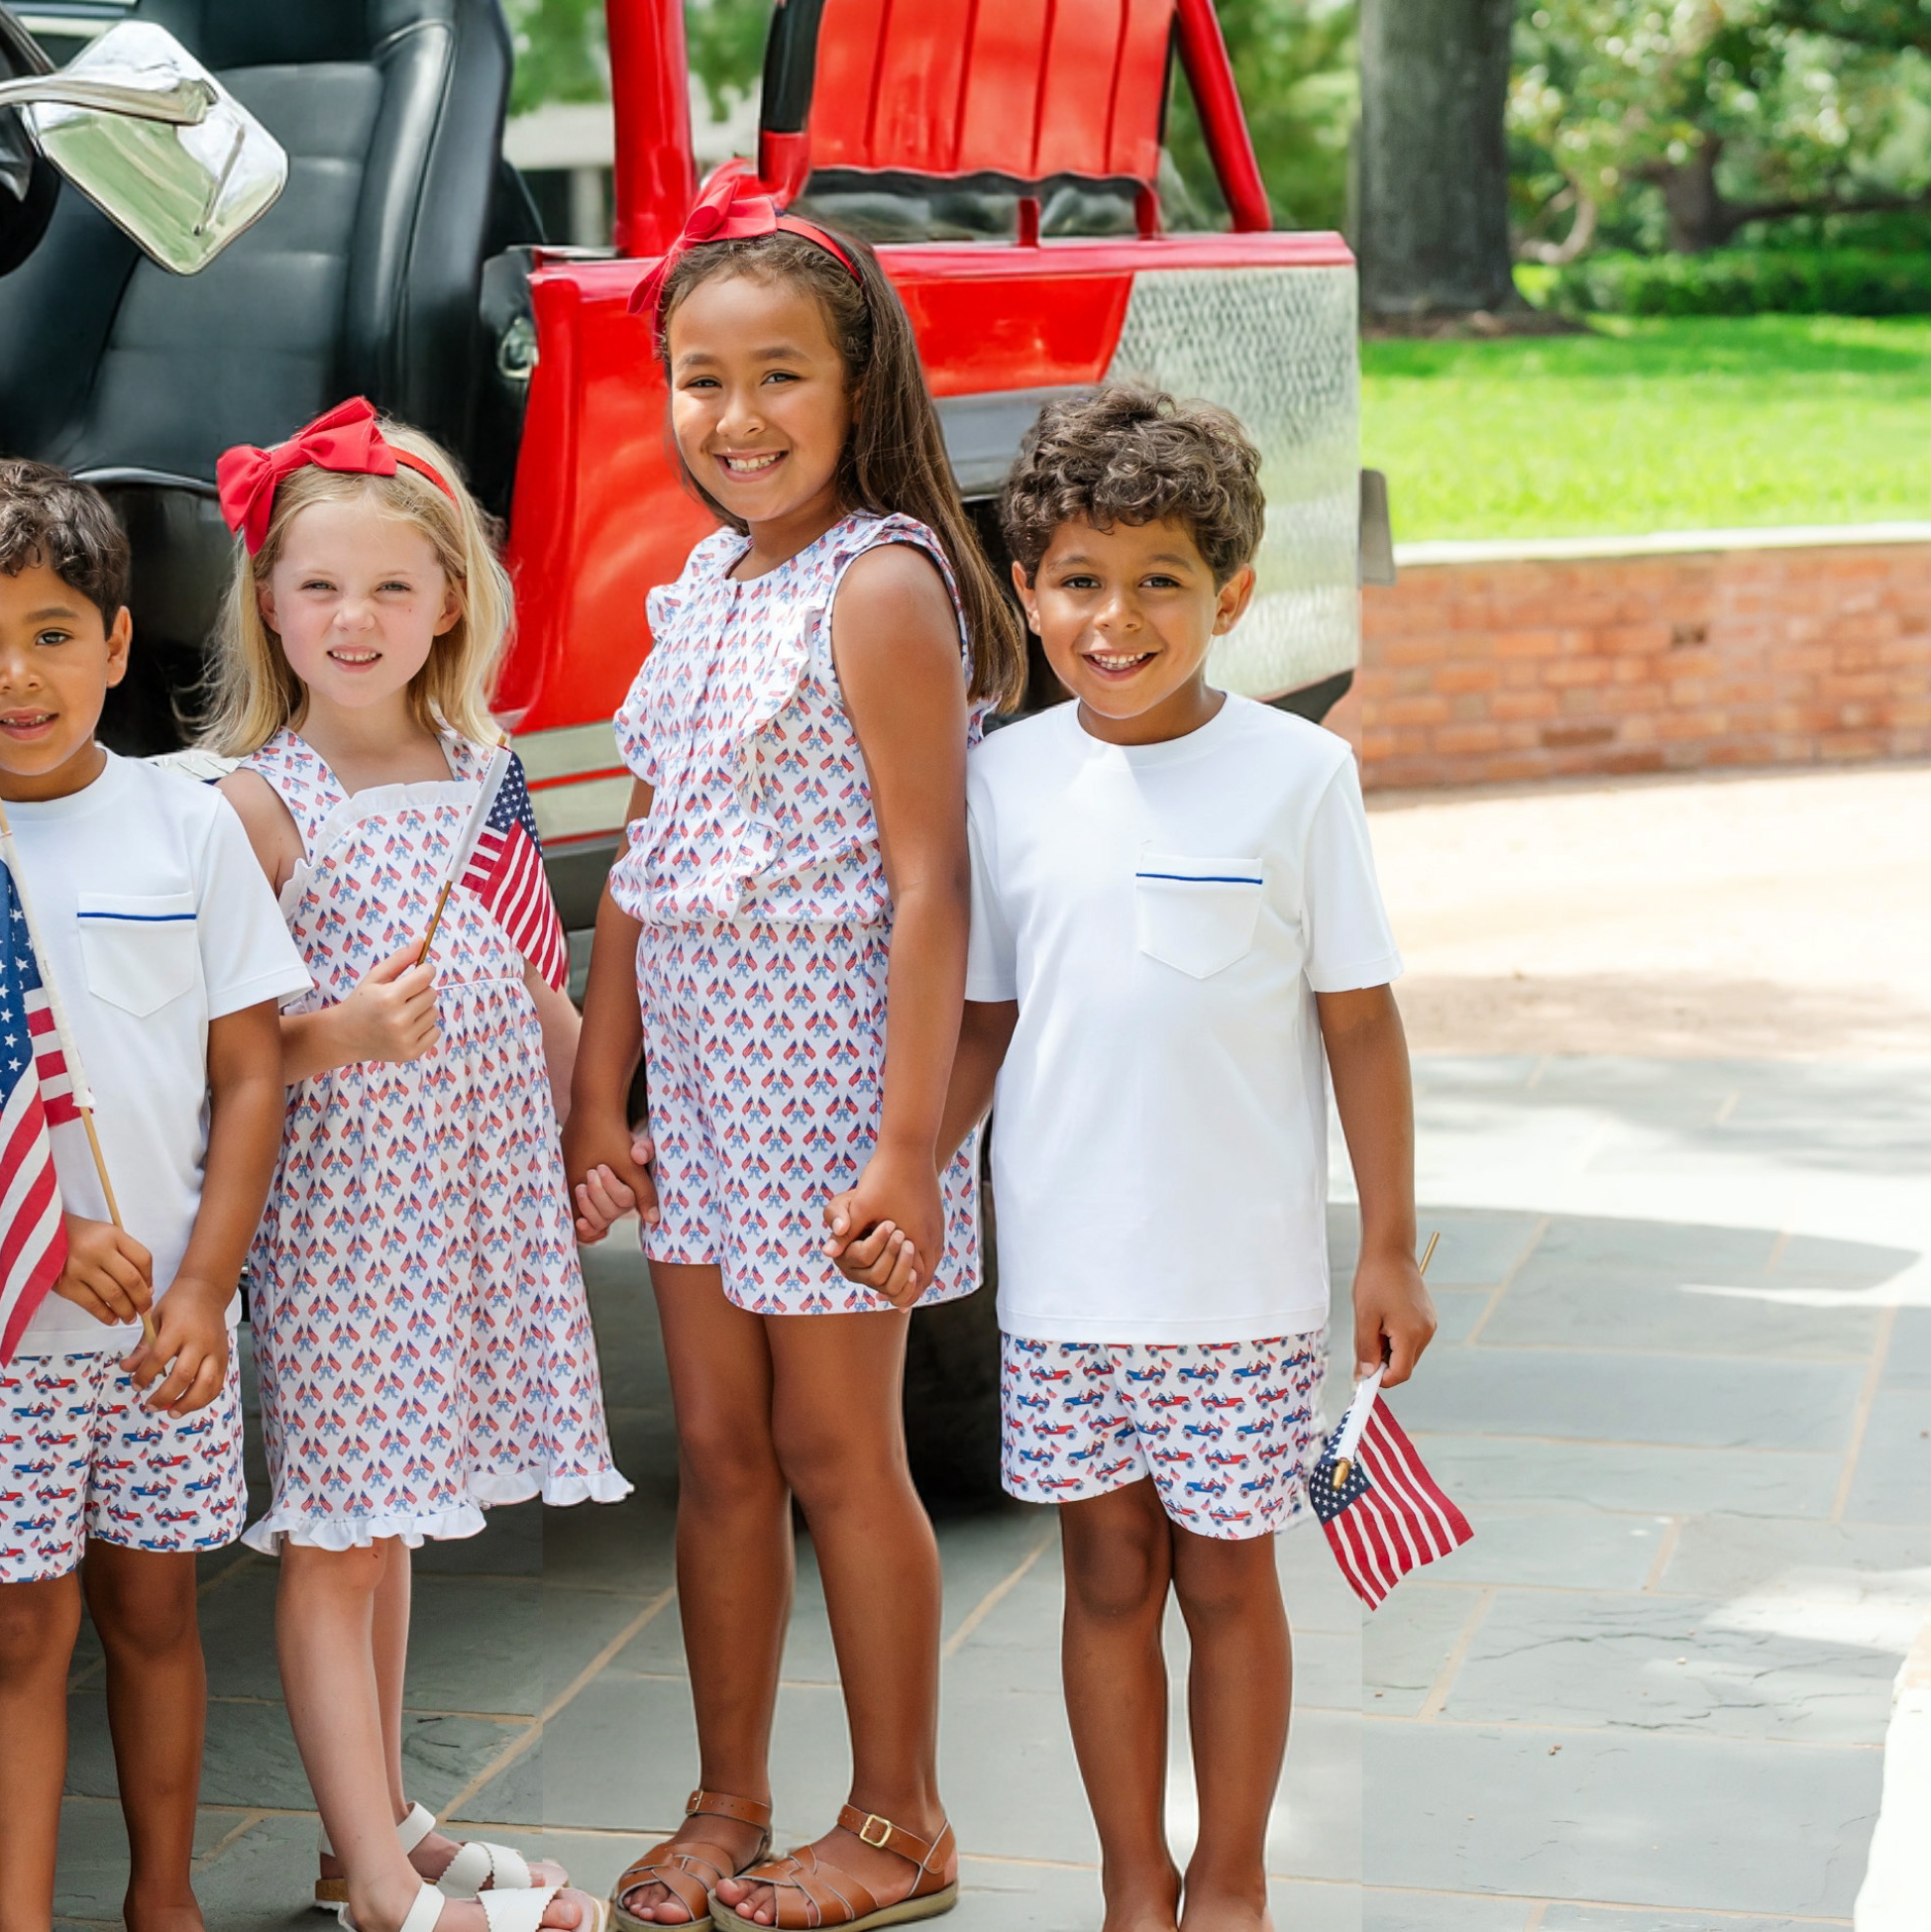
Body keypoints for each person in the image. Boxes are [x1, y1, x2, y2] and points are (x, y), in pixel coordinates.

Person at [560, 171, 1021, 1932]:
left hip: (838, 1098)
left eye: (778, 377)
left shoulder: (881, 581)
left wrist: (910, 1145)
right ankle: (726, 1798)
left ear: (858, 388)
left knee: (843, 1457)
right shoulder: (698, 583)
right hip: (707, 1099)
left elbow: (931, 885)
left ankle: (902, 1819)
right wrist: (603, 1089)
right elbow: (644, 871)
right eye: (701, 378)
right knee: (727, 1462)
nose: (735, 418)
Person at [920, 384, 1436, 1932]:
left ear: (1233, 596)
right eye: (1079, 580)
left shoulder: (1297, 777)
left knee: (1228, 1584)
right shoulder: (1003, 779)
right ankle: (1132, 1882)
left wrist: (1390, 1245)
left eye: (1160, 583)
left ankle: (1230, 1879)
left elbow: (1361, 1026)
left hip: (1242, 1284)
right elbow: (986, 1022)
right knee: (1103, 1583)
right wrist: (906, 1173)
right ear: (1025, 592)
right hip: (1066, 1285)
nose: (1116, 618)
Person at [0, 459, 304, 1932]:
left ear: (115, 641)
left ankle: (163, 1899)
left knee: (157, 1616)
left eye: (51, 634)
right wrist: (38, 1234)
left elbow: (250, 1076)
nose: (16, 676)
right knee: (17, 1631)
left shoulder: (190, 828)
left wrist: (207, 1285)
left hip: (166, 1325)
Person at [200, 399, 622, 1932]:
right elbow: (206, 1048)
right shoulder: (255, 805)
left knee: (395, 1523)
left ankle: (371, 1822)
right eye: (320, 587)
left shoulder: (478, 766)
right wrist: (335, 1032)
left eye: (391, 587)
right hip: (343, 1219)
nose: (355, 619)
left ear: (451, 600)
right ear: (268, 602)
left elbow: (536, 974)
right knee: (338, 1533)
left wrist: (597, 1123)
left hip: (465, 1201)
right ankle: (382, 1891)